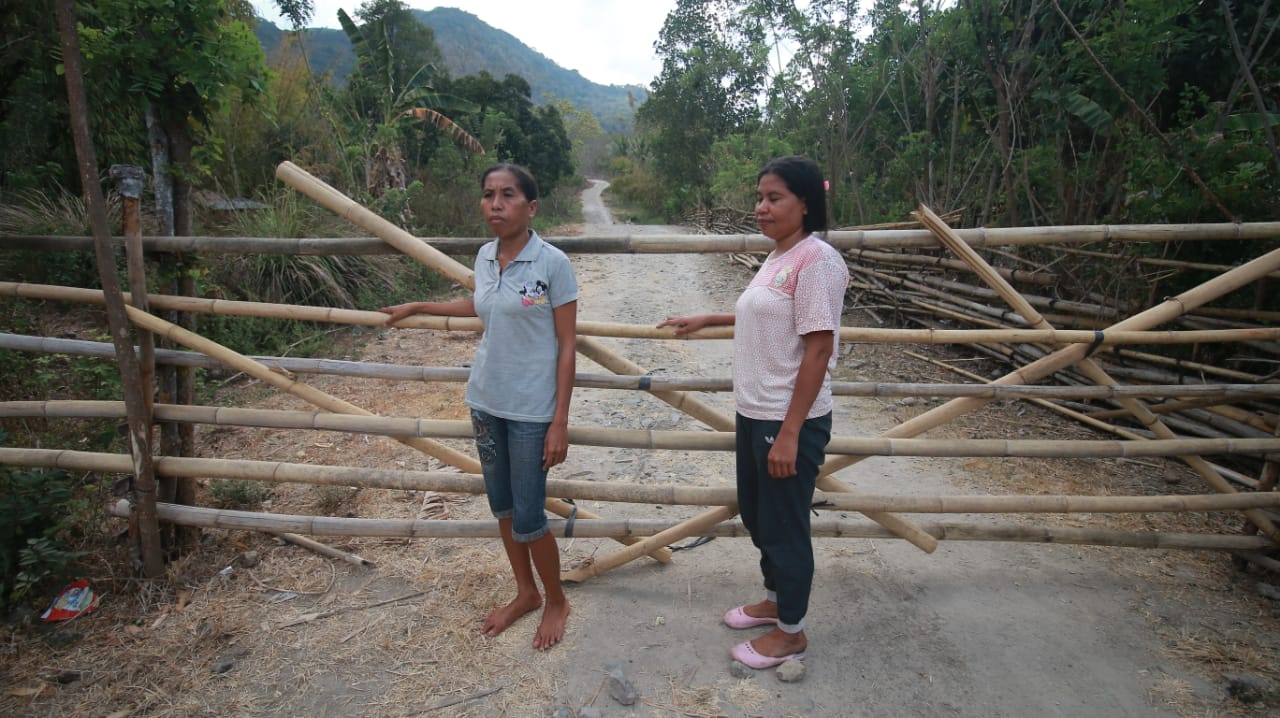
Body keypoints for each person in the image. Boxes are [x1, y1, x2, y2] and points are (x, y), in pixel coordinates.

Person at [657, 155, 849, 669]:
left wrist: (790, 433)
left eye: (774, 198)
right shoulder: (781, 255)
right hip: (756, 413)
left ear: (805, 203)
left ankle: (791, 633)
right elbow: (771, 313)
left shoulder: (818, 260)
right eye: (759, 197)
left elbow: (818, 349)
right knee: (759, 516)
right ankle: (776, 601)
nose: (761, 208)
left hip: (788, 419)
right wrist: (712, 317)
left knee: (785, 526)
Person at [380, 163, 577, 651]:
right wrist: (420, 306)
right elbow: (481, 305)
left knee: (530, 516)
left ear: (531, 207)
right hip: (486, 403)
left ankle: (556, 600)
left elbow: (567, 345)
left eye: (508, 195)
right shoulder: (486, 256)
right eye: (488, 194)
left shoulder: (552, 263)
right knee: (503, 508)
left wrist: (559, 421)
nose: (496, 204)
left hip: (532, 411)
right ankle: (526, 592)